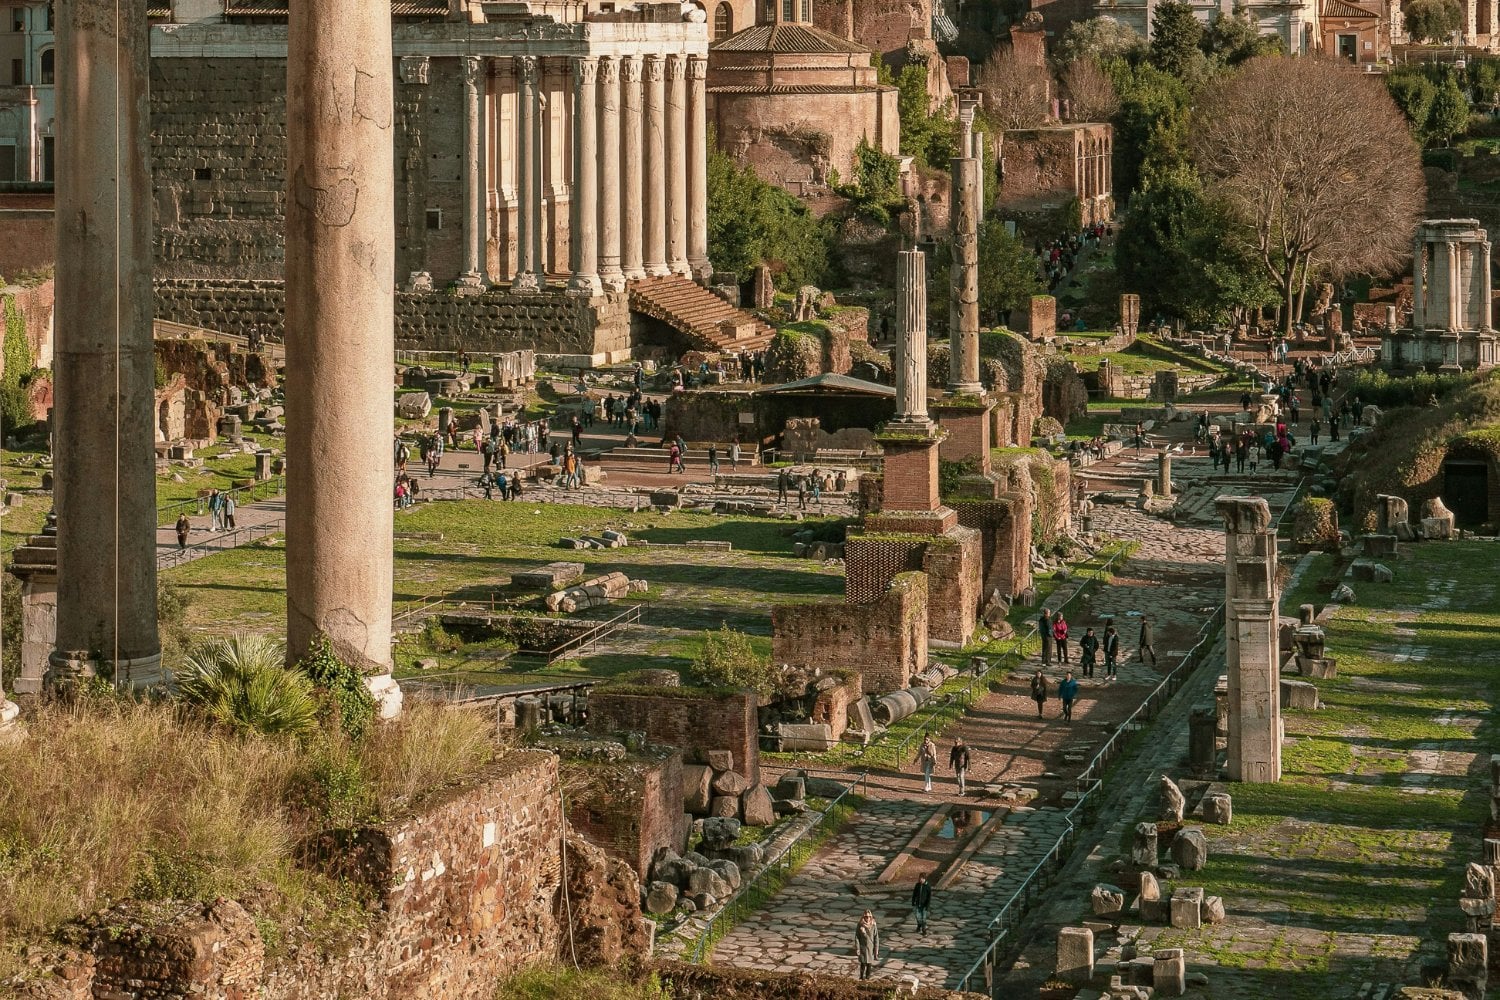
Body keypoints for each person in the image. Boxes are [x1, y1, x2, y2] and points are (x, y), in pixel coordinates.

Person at [855, 911, 880, 981]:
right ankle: (861, 977)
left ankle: (867, 977)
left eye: (869, 917)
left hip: (870, 947)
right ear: (864, 917)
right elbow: (857, 937)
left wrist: (876, 949)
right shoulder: (860, 925)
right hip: (863, 947)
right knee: (863, 963)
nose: (868, 918)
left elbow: (876, 938)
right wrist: (857, 948)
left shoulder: (873, 925)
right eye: (866, 917)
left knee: (869, 963)